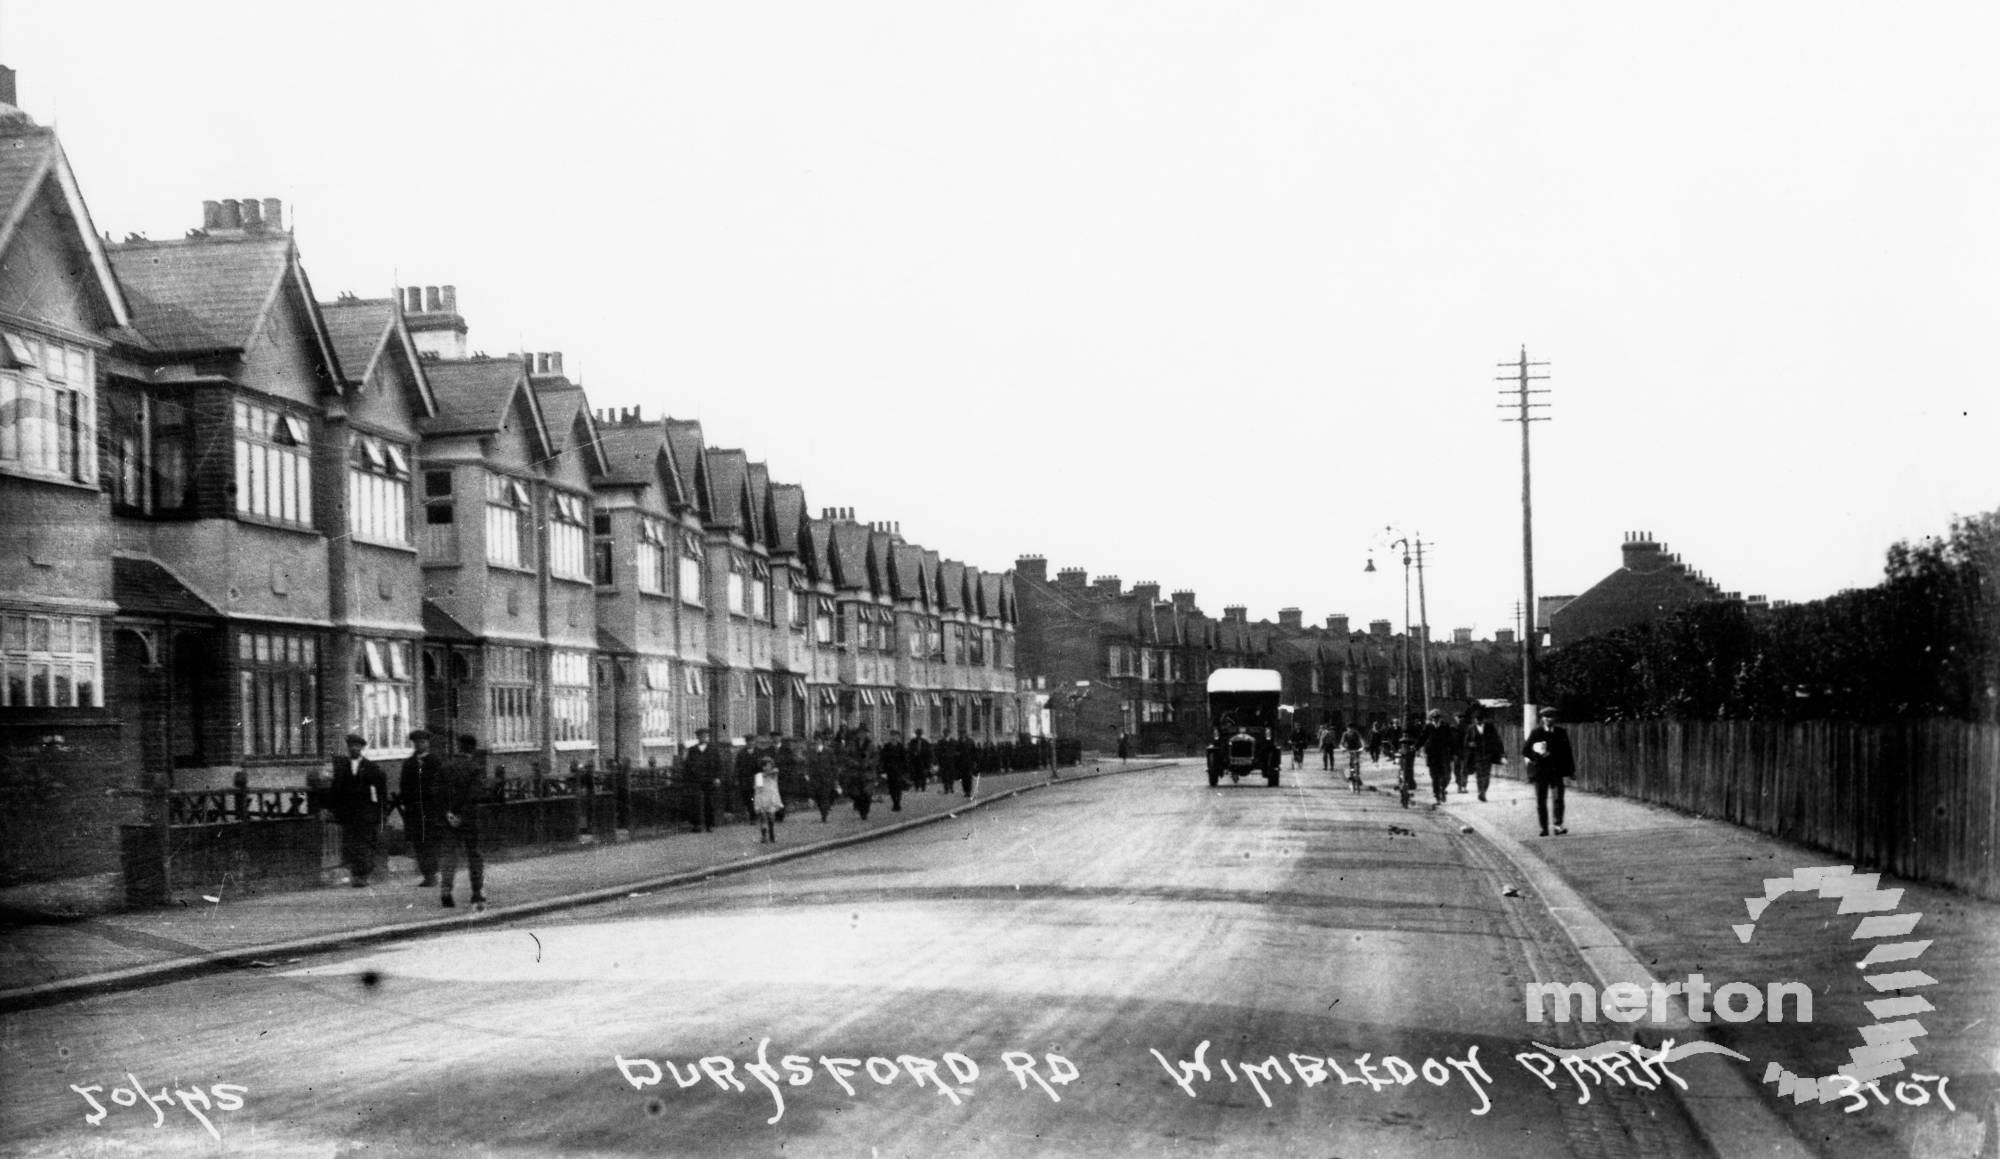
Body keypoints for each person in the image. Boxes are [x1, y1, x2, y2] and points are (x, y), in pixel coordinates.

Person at [327, 732, 388, 887]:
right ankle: (357, 874)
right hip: (348, 813)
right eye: (351, 746)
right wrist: (333, 809)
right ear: (348, 748)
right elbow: (336, 789)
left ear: (361, 748)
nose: (353, 749)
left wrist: (379, 811)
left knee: (364, 843)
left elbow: (380, 791)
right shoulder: (343, 767)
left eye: (357, 746)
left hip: (366, 813)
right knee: (351, 844)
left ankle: (362, 875)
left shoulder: (371, 768)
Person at [435, 733, 487, 909]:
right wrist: (461, 815)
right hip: (469, 819)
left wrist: (449, 814)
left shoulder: (445, 767)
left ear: (458, 747)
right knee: (474, 855)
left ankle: (446, 891)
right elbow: (475, 795)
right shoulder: (475, 768)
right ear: (472, 748)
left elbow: (438, 794)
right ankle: (477, 893)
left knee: (449, 855)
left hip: (448, 819)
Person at [397, 730, 444, 887]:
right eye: (417, 743)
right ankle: (427, 873)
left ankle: (432, 874)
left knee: (430, 841)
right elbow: (404, 786)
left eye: (423, 742)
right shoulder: (409, 763)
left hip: (431, 810)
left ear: (428, 743)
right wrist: (407, 803)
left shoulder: (435, 762)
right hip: (415, 810)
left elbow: (442, 785)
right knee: (419, 842)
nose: (420, 745)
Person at [1523, 707, 1576, 836]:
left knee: (1558, 799)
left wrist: (1571, 771)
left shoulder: (1561, 732)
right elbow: (1525, 751)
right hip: (1540, 772)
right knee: (1541, 800)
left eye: (1550, 717)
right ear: (1542, 719)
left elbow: (1567, 752)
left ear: (1555, 719)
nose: (1547, 719)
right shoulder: (1536, 733)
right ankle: (1544, 828)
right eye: (1545, 717)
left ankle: (1558, 825)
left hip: (1556, 771)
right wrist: (1538, 755)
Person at [685, 728, 724, 832]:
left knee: (709, 802)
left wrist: (718, 778)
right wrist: (689, 778)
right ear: (698, 737)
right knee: (695, 802)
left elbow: (719, 764)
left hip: (709, 779)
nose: (704, 738)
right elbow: (687, 765)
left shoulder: (713, 749)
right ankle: (696, 825)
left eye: (706, 736)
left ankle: (709, 824)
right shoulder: (692, 750)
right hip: (696, 779)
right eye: (701, 736)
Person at [1465, 709, 1505, 801]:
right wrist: (1470, 744)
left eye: (1480, 719)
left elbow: (1497, 740)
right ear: (1474, 719)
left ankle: (1483, 791)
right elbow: (1466, 742)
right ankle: (1481, 792)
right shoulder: (1471, 729)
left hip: (1488, 755)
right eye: (1476, 719)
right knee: (1479, 775)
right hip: (1476, 756)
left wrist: (1501, 753)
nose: (1478, 721)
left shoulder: (1490, 727)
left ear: (1483, 719)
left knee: (1486, 776)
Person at [1421, 709, 1456, 807]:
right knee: (1434, 777)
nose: (1436, 719)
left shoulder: (1445, 726)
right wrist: (1415, 747)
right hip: (1432, 756)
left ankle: (1442, 789)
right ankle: (1437, 796)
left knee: (1446, 776)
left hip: (1443, 755)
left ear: (1440, 718)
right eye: (1434, 718)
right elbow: (1422, 737)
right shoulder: (1428, 727)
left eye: (1438, 718)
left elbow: (1451, 740)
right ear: (1432, 718)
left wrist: (1453, 752)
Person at [806, 730, 841, 821]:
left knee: (825, 795)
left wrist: (835, 777)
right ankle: (822, 809)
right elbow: (808, 764)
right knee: (818, 796)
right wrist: (807, 773)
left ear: (822, 740)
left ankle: (824, 814)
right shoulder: (811, 751)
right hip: (815, 778)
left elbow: (834, 764)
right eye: (816, 739)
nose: (817, 741)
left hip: (826, 777)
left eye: (819, 739)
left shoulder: (828, 751)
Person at [752, 757, 784, 843]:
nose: (767, 768)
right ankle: (764, 836)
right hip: (762, 798)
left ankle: (772, 834)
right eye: (765, 766)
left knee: (771, 817)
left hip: (772, 797)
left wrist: (767, 773)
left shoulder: (774, 773)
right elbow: (758, 788)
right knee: (763, 817)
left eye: (769, 765)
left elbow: (775, 771)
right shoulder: (759, 776)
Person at [879, 729, 909, 812]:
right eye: (892, 736)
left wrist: (904, 769)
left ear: (898, 737)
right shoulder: (887, 747)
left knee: (898, 787)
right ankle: (894, 802)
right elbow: (882, 758)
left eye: (895, 736)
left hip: (898, 770)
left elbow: (905, 759)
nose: (894, 738)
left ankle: (897, 803)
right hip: (889, 770)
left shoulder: (900, 747)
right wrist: (882, 770)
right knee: (891, 787)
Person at [907, 727, 934, 792]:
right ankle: (916, 786)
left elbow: (929, 752)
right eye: (917, 733)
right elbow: (909, 750)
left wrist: (928, 762)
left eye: (920, 733)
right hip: (915, 761)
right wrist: (913, 753)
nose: (918, 735)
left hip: (923, 761)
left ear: (921, 734)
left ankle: (923, 787)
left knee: (923, 774)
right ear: (916, 734)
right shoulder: (912, 741)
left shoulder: (925, 742)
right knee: (916, 774)